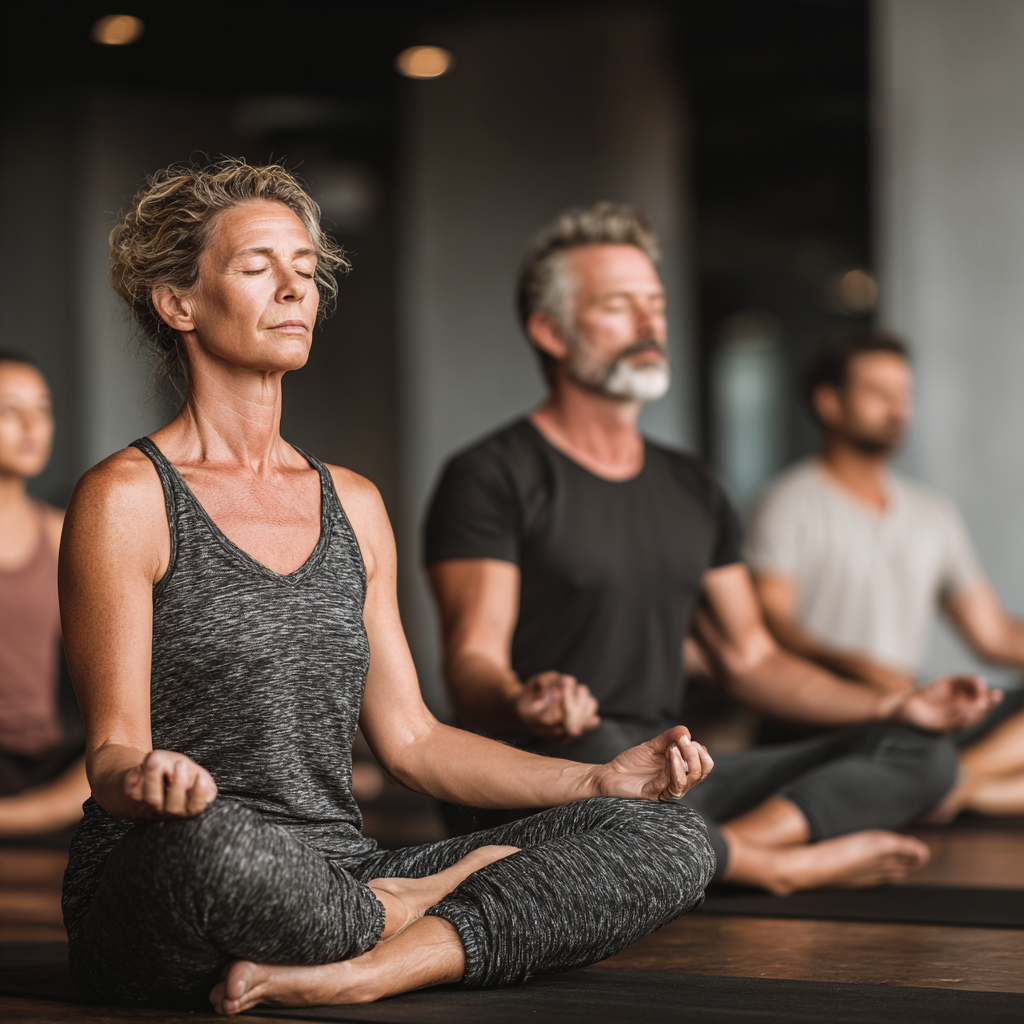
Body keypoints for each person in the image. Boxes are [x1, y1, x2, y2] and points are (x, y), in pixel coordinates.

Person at [59, 161, 717, 1016]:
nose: (295, 288)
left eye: (306, 268)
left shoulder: (355, 505)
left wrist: (597, 783)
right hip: (178, 877)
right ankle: (399, 916)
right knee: (207, 850)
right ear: (178, 303)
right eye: (259, 267)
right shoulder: (127, 499)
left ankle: (375, 963)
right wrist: (148, 784)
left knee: (672, 838)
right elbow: (111, 754)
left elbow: (413, 742)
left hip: (336, 869)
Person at [424, 202, 999, 898]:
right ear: (551, 331)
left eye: (656, 305)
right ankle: (769, 865)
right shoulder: (491, 474)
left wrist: (895, 706)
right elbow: (471, 666)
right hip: (551, 765)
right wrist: (525, 700)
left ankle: (708, 853)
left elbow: (751, 659)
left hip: (671, 770)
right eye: (618, 306)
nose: (648, 324)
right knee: (607, 760)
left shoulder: (691, 484)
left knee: (922, 755)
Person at [747, 331, 1024, 818]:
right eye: (879, 393)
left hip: (915, 712)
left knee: (930, 743)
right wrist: (864, 670)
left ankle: (955, 783)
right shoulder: (785, 504)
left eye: (905, 395)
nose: (899, 408)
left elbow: (993, 634)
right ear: (829, 403)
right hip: (828, 717)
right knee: (906, 746)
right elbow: (771, 629)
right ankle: (941, 781)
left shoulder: (932, 513)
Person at [0, 350, 90, 838]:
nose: (31, 426)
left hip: (49, 761)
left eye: (42, 409)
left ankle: (15, 820)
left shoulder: (62, 534)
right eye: (9, 410)